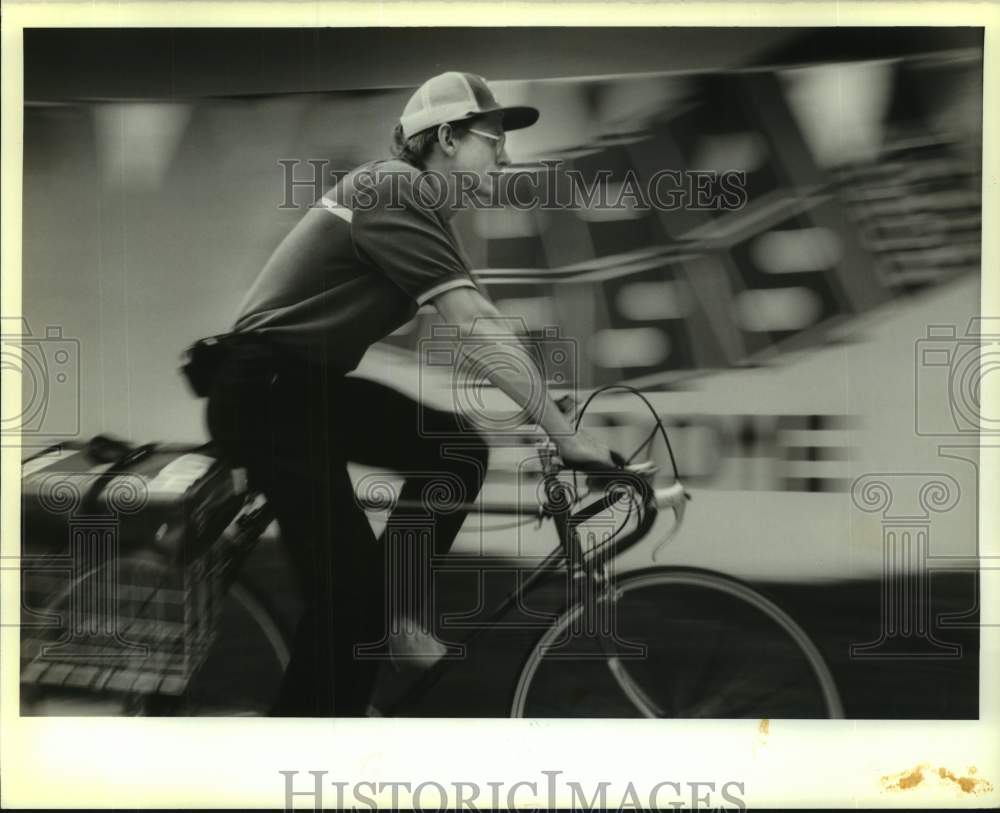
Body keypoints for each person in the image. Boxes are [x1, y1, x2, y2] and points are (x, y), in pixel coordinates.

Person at [185, 71, 619, 717]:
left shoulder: (424, 209)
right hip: (264, 389)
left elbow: (484, 321)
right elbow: (473, 323)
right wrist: (565, 436)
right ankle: (300, 737)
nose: (505, 153)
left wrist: (551, 413)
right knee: (348, 601)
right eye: (492, 137)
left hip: (302, 386)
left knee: (454, 449)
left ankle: (388, 616)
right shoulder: (395, 186)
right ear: (445, 137)